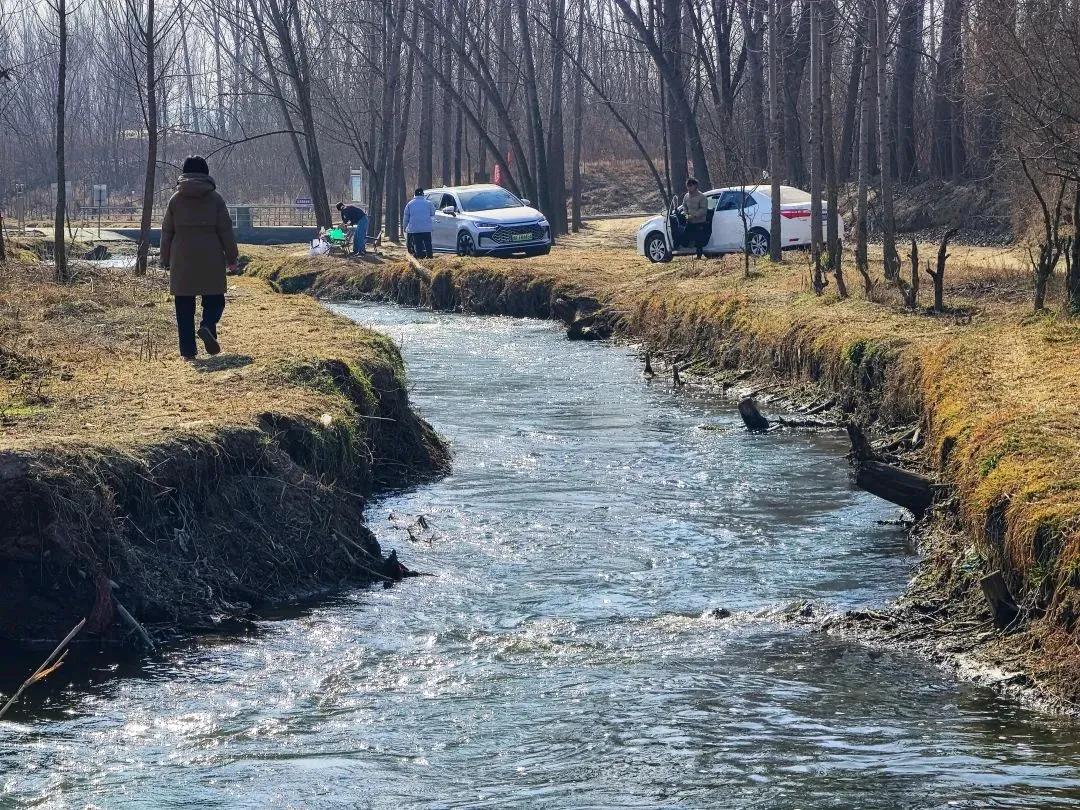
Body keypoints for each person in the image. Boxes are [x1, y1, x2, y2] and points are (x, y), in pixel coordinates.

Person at [160, 155, 238, 360]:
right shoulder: (215, 199)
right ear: (206, 173)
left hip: (182, 258)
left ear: (184, 173)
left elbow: (167, 231)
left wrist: (165, 259)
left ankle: (188, 352)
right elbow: (226, 231)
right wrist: (232, 258)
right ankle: (207, 327)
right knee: (215, 300)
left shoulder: (175, 200)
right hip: (210, 257)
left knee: (184, 307)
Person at [403, 188, 436, 258]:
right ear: (423, 194)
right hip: (426, 228)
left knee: (418, 244)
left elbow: (406, 218)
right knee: (428, 244)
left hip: (415, 228)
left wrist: (404, 227)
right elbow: (433, 213)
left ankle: (420, 257)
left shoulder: (410, 204)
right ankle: (430, 257)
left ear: (415, 195)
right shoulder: (428, 203)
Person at [681, 177, 709, 259]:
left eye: (691, 186)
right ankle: (686, 250)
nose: (689, 187)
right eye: (688, 186)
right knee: (684, 238)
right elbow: (684, 206)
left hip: (699, 222)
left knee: (699, 240)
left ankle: (699, 256)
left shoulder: (702, 197)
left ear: (695, 186)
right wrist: (686, 214)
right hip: (689, 221)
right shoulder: (686, 196)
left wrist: (694, 215)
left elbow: (703, 210)